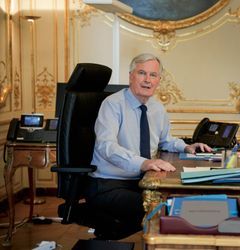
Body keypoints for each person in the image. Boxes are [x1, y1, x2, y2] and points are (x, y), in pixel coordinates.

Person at [86, 53, 212, 239]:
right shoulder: (112, 104)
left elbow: (165, 140)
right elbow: (106, 146)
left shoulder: (156, 108)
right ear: (131, 76)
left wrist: (187, 147)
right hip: (108, 185)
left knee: (180, 201)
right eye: (142, 73)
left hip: (142, 182)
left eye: (153, 75)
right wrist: (143, 163)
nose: (147, 80)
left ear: (158, 80)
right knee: (163, 208)